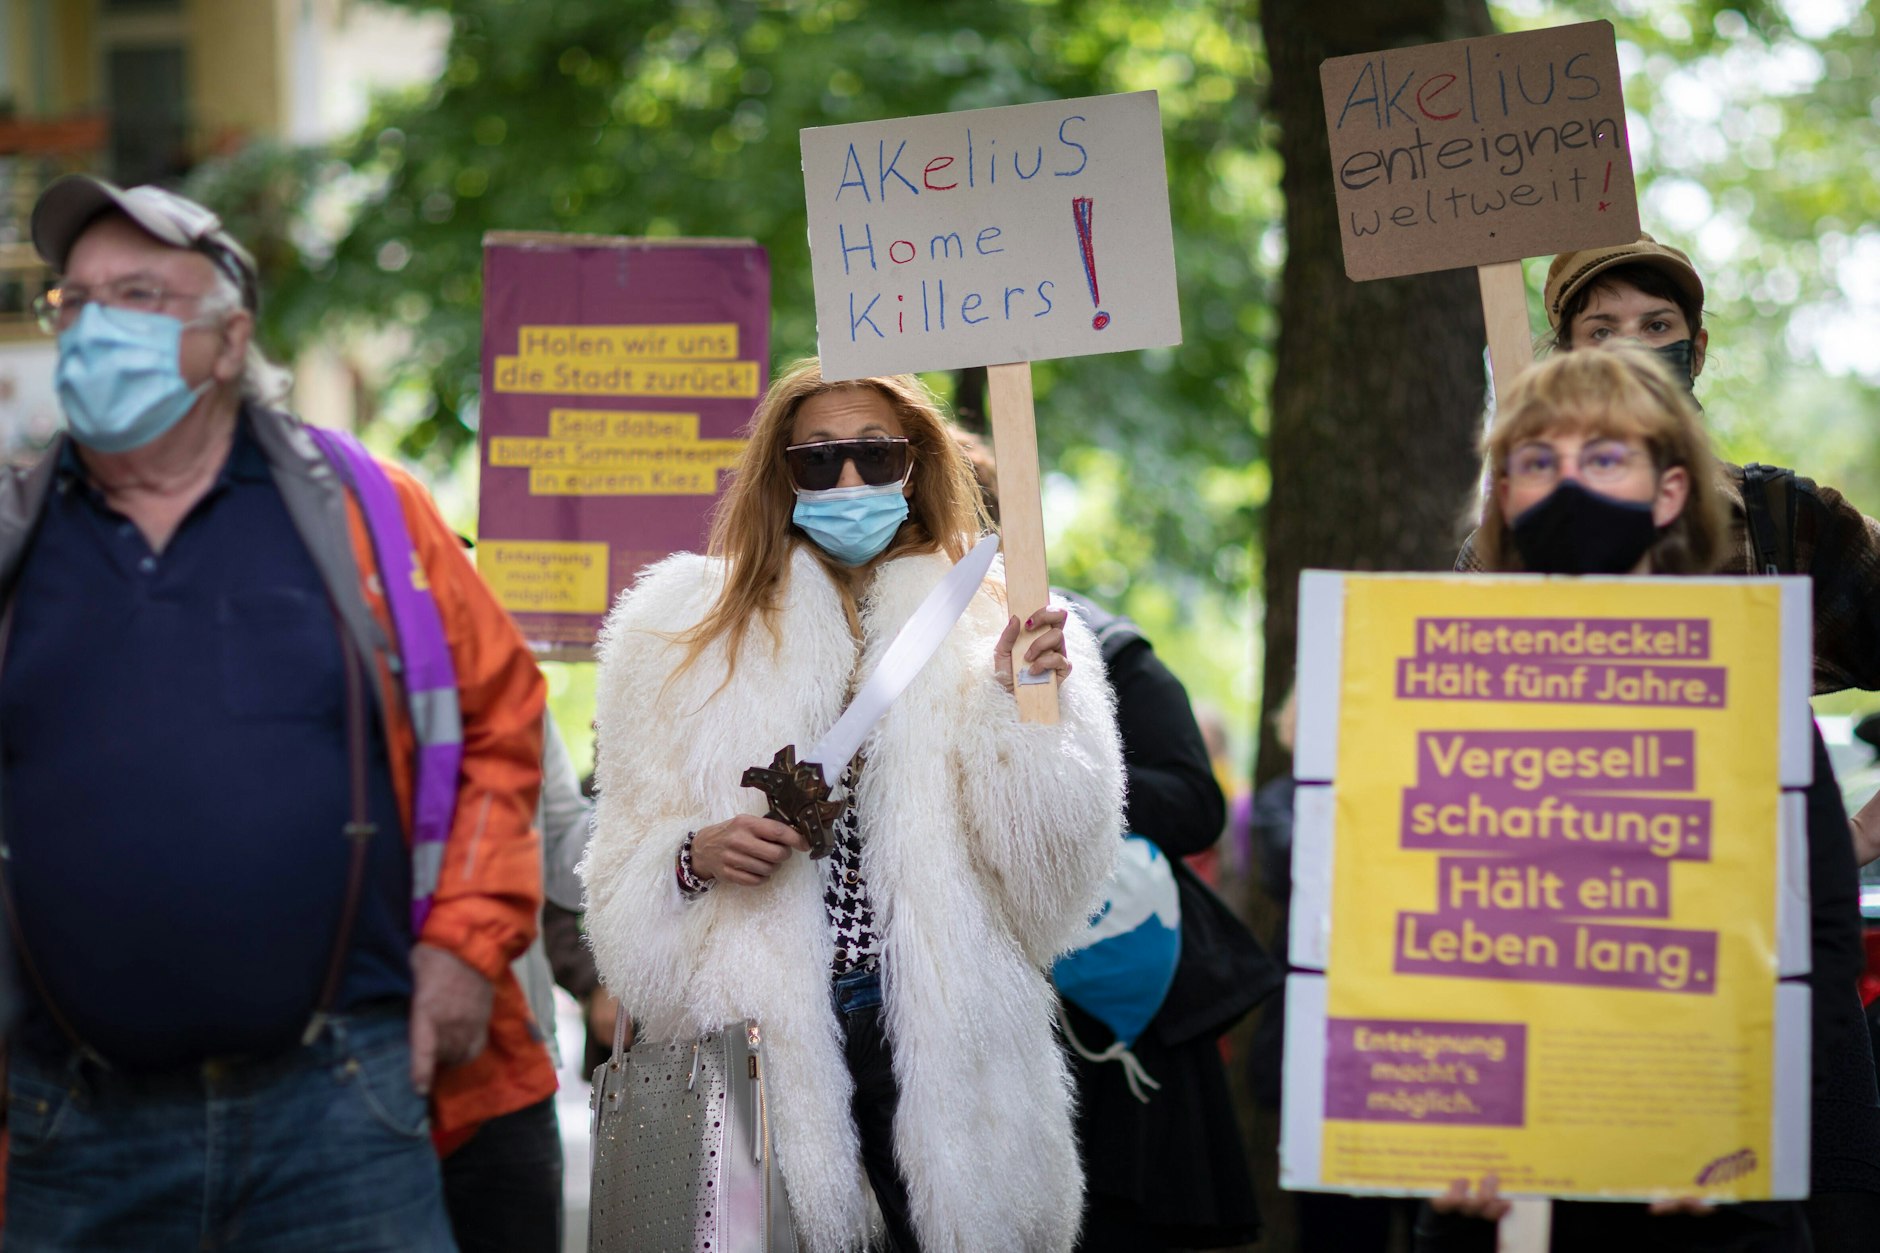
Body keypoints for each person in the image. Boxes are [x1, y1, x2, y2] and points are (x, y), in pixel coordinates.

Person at [0, 175, 553, 1251]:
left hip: (339, 1102)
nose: (95, 324)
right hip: (71, 1119)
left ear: (226, 338)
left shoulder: (364, 511)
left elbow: (500, 716)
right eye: (77, 300)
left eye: (140, 295)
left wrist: (461, 949)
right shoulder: (15, 534)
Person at [580, 359, 1125, 1252]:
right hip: (755, 1045)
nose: (848, 481)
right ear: (778, 471)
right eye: (818, 459)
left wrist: (1018, 711)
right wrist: (692, 855)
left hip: (952, 1044)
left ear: (916, 463)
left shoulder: (1001, 619)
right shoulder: (677, 629)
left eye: (875, 456)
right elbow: (619, 871)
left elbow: (1054, 883)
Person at [1422, 347, 1880, 1251]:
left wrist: (1756, 1144)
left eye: (1602, 458)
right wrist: (1440, 1131)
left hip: (1712, 1183)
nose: (1566, 484)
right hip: (1507, 1179)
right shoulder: (1445, 692)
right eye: (1537, 461)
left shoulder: (1750, 691)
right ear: (1503, 494)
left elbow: (1818, 965)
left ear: (1670, 492)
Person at [951, 426, 1268, 1250]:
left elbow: (1194, 800)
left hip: (1118, 1027)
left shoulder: (1097, 645)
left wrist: (1055, 783)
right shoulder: (898, 673)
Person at [441, 706, 593, 1253]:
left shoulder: (509, 686)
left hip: (508, 1061)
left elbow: (568, 866)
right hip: (360, 1064)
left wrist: (638, 780)